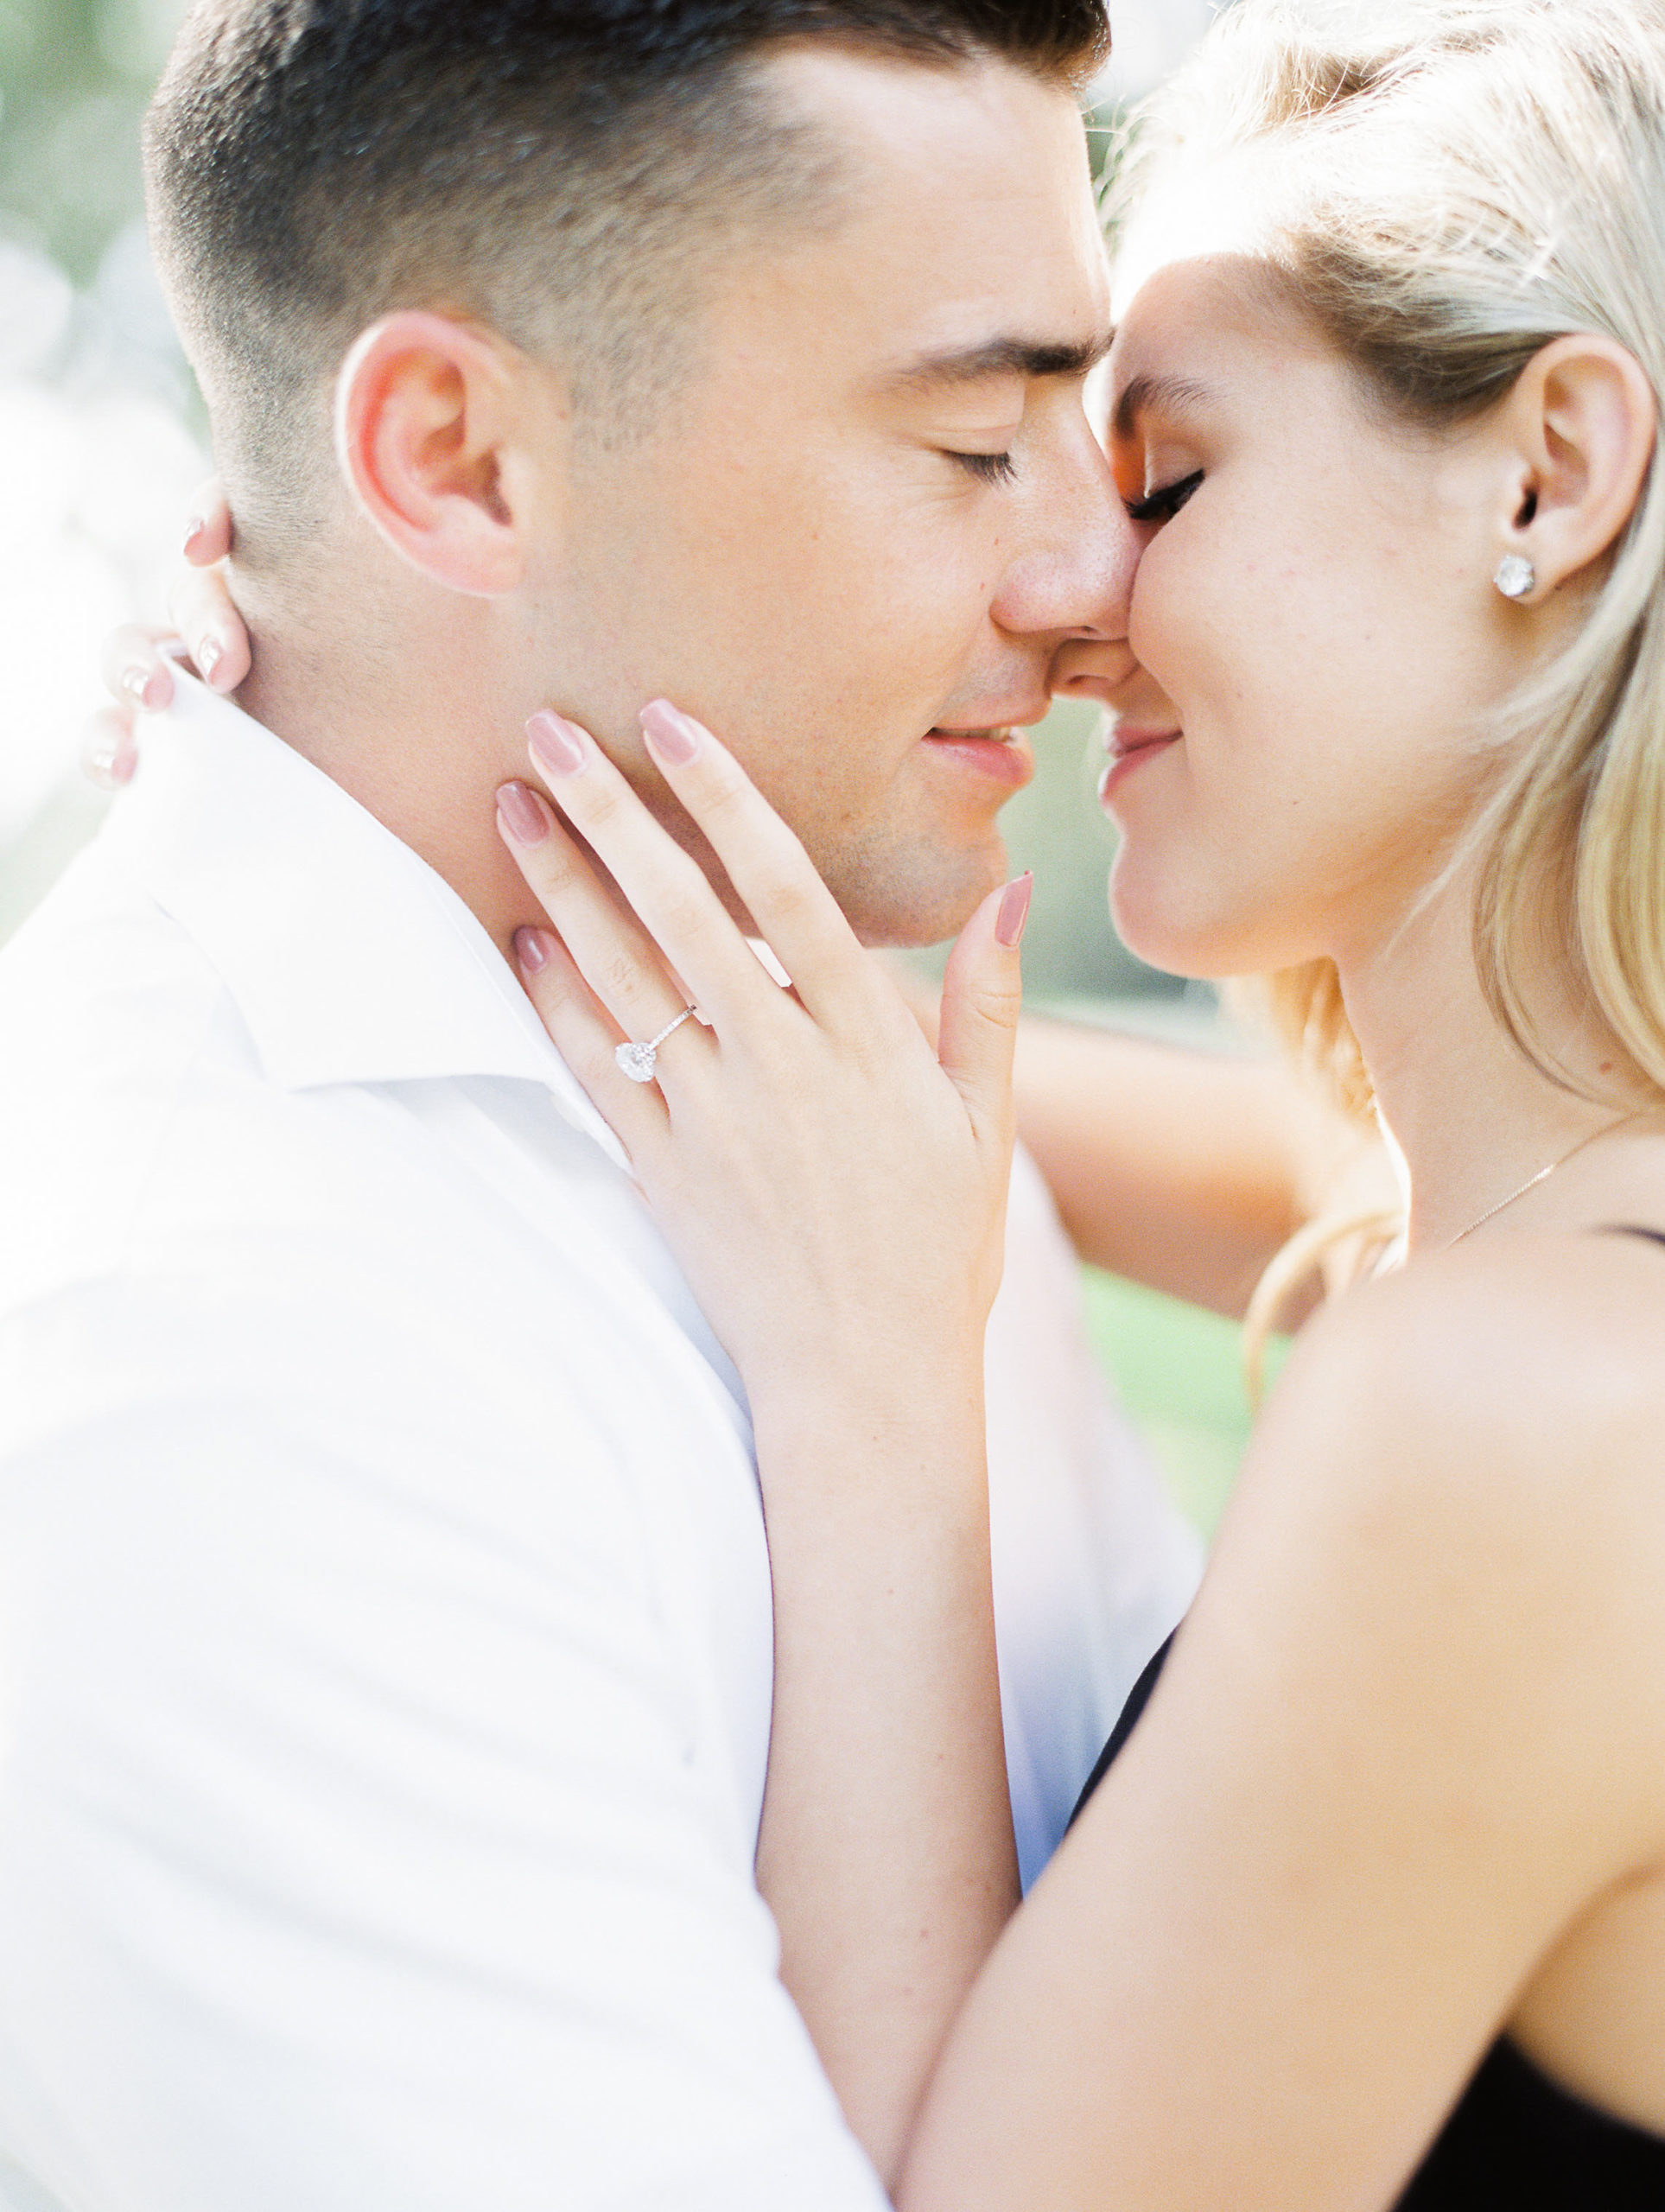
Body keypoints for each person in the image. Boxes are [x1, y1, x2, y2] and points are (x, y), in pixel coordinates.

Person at [0, 3, 1253, 2208]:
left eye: (1115, 453)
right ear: (459, 462)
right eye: (976, 449)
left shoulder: (843, 1116)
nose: (1095, 587)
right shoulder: (198, 1367)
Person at [463, 0, 1665, 2205]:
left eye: (1168, 477)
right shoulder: (1541, 1247)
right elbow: (1234, 1171)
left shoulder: (1520, 1415)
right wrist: (439, 777)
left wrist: (871, 1394)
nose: (1075, 602)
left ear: (1544, 474)